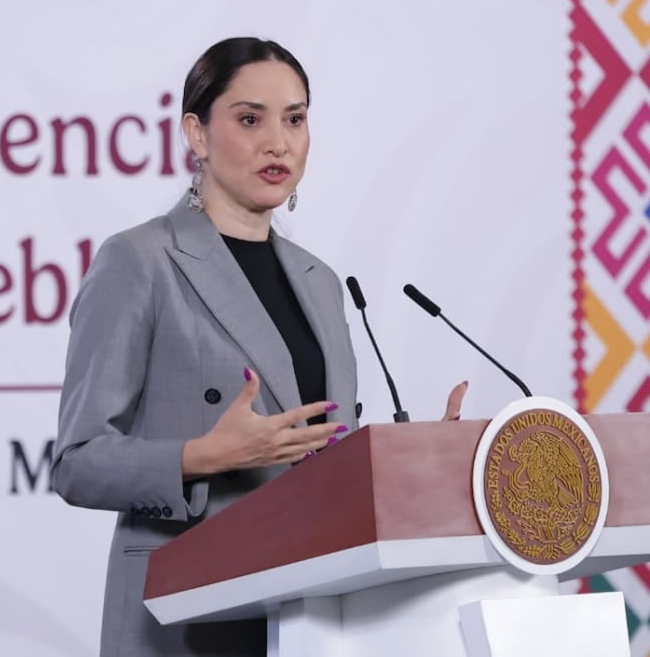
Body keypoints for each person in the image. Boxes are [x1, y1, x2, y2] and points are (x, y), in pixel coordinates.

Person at [51, 36, 466, 657]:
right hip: (190, 609)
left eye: (295, 119)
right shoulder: (138, 261)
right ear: (197, 134)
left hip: (311, 610)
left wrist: (416, 461)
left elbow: (324, 456)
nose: (279, 142)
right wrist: (201, 455)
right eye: (250, 119)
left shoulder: (320, 282)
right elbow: (76, 461)